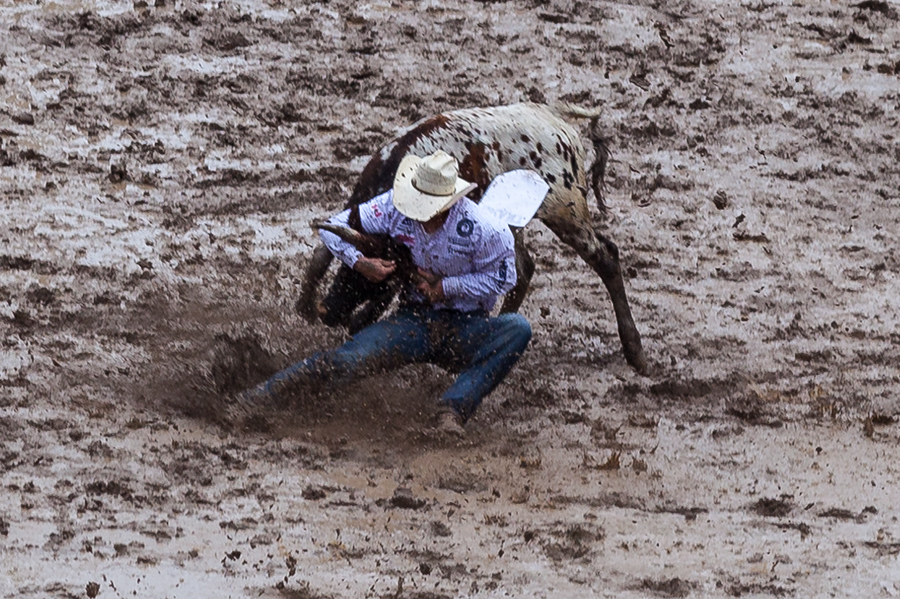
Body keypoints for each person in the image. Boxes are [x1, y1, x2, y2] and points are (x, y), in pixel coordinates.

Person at [232, 150, 532, 437]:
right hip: (412, 320)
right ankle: (257, 399)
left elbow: (504, 278)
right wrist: (360, 263)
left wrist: (445, 287)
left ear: (448, 202)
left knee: (516, 328)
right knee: (347, 360)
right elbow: (333, 226)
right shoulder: (393, 206)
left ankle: (451, 411)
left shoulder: (486, 229)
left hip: (468, 325)